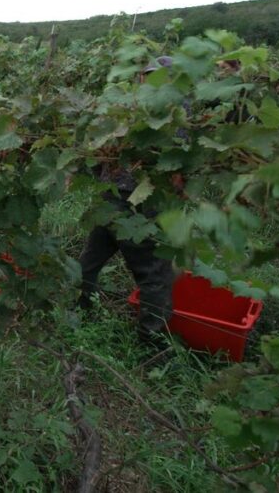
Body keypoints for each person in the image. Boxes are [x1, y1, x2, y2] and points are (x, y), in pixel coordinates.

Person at [78, 56, 177, 346]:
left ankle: (81, 312)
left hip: (121, 199)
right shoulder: (147, 111)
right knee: (152, 274)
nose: (146, 81)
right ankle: (153, 343)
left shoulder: (156, 111)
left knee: (92, 262)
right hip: (128, 202)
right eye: (145, 75)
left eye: (153, 76)